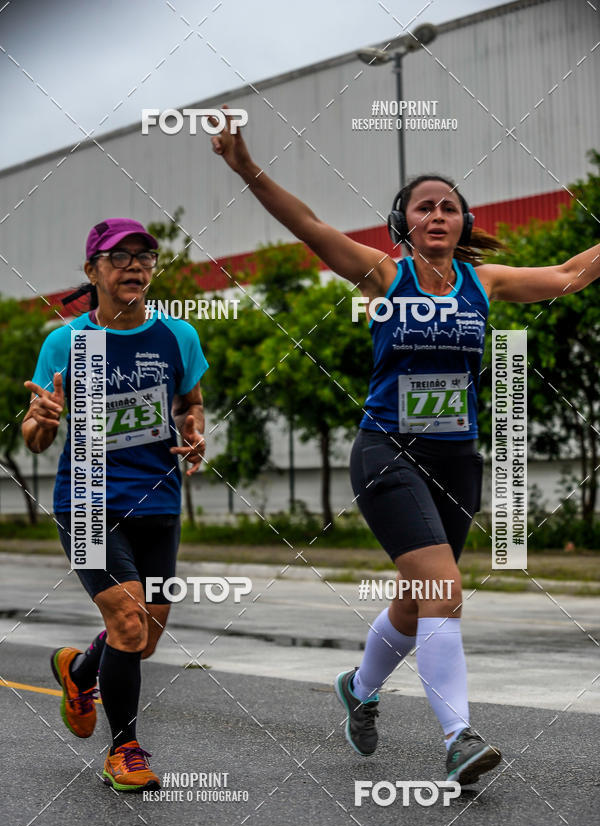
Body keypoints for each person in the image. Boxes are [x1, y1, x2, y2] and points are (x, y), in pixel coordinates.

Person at [210, 110, 600, 784]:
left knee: (419, 601)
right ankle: (458, 738)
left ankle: (359, 689)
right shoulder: (385, 276)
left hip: (458, 459)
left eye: (449, 207)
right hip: (387, 451)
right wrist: (246, 168)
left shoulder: (486, 283)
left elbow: (569, 273)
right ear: (404, 223)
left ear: (464, 223)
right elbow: (310, 227)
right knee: (443, 589)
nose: (438, 215)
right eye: (425, 207)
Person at [22, 218, 208, 791]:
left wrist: (194, 429)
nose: (134, 266)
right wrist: (42, 420)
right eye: (119, 257)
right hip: (86, 502)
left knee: (144, 638)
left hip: (158, 499)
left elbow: (191, 402)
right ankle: (123, 751)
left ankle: (80, 671)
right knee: (127, 621)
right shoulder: (66, 343)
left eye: (144, 257)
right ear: (92, 270)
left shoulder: (177, 336)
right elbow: (34, 437)